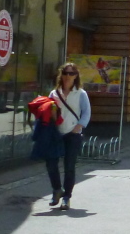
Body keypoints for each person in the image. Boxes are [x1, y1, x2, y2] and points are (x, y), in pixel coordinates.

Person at [46, 62, 91, 211]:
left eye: (71, 73)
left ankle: (66, 198)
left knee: (69, 166)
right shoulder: (54, 93)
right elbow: (49, 112)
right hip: (56, 133)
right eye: (65, 73)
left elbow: (86, 112)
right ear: (61, 75)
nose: (68, 76)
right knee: (51, 163)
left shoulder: (80, 93)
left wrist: (79, 126)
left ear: (76, 76)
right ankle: (57, 190)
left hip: (73, 134)